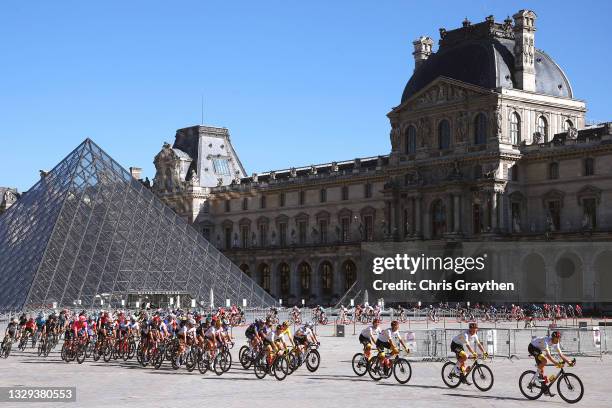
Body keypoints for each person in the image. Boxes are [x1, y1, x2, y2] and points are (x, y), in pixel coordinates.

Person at [528, 331, 574, 396]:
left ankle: (544, 389)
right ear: (552, 338)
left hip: (539, 349)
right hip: (532, 347)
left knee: (542, 368)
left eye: (559, 338)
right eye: (556, 338)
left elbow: (561, 355)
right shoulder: (546, 341)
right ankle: (533, 380)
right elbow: (548, 356)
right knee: (545, 361)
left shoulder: (556, 343)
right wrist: (556, 363)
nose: (558, 340)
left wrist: (569, 362)